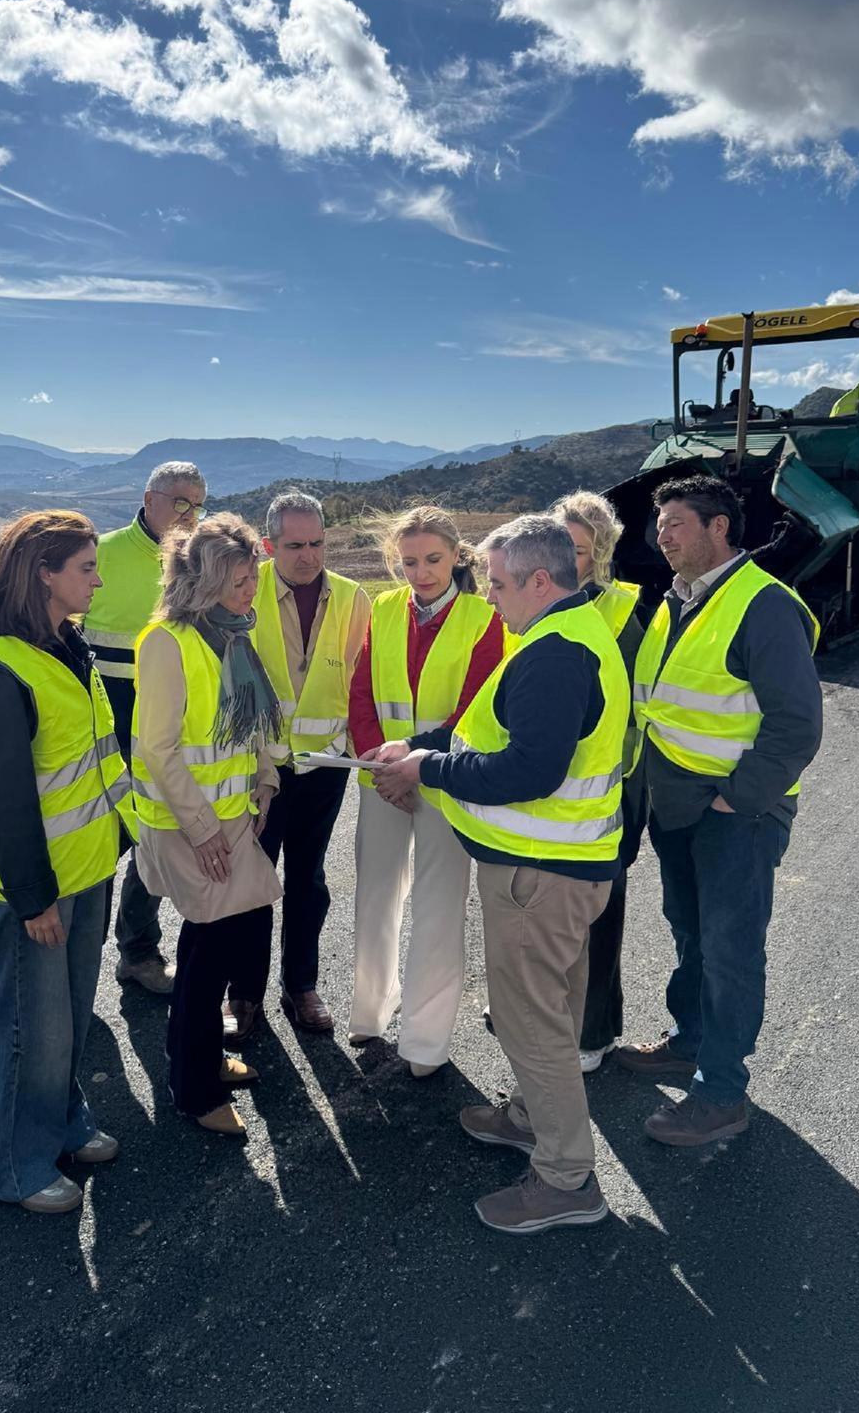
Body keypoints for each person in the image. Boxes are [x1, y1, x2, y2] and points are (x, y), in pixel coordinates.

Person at [372, 515, 629, 1235]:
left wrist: (428, 768)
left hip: (539, 876)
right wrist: (420, 745)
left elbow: (528, 770)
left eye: (497, 583)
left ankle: (565, 1179)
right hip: (567, 866)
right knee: (555, 1007)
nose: (488, 597)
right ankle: (529, 1117)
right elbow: (491, 733)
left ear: (540, 581)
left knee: (531, 1022)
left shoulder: (553, 653)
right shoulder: (569, 633)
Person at [616, 475, 822, 1146]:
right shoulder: (679, 603)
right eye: (660, 524)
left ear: (719, 529)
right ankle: (692, 1041)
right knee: (690, 929)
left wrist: (738, 800)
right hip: (677, 808)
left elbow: (795, 726)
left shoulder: (762, 605)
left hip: (735, 814)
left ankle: (722, 1091)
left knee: (731, 948)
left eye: (675, 523)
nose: (661, 536)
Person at [0, 511, 134, 1215]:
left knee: (67, 1020)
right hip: (34, 889)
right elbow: (5, 801)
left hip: (87, 871)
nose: (97, 578)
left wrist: (130, 841)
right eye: (86, 567)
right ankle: (14, 1166)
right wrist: (32, 899)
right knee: (25, 1026)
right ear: (43, 574)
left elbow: (96, 767)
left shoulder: (67, 644)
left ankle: (60, 1123)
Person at [131, 513, 284, 1136]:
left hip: (232, 820)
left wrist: (267, 775)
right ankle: (194, 1088)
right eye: (241, 580)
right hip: (193, 827)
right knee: (209, 948)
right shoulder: (167, 641)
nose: (252, 590)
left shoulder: (233, 634)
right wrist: (200, 829)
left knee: (216, 943)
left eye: (253, 577)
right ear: (205, 581)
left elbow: (251, 723)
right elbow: (157, 748)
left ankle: (203, 1062)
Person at [348, 505, 504, 1076]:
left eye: (433, 559)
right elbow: (361, 696)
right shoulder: (383, 610)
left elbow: (475, 712)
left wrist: (412, 763)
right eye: (409, 561)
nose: (421, 572)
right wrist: (378, 767)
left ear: (457, 556)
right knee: (375, 897)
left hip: (444, 781)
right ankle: (369, 1013)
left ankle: (425, 1042)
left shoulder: (485, 619)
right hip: (382, 780)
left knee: (440, 909)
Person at [245, 491, 371, 1037]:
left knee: (308, 881)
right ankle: (243, 995)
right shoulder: (243, 594)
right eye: (294, 545)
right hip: (259, 769)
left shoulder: (351, 597)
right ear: (269, 544)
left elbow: (362, 683)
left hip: (324, 766)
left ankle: (302, 987)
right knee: (251, 884)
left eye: (318, 543)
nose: (308, 556)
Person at [83, 460, 208, 996]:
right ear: (149, 498)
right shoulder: (101, 553)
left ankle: (137, 952)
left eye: (198, 503)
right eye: (180, 501)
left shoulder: (200, 560)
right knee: (97, 844)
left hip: (167, 722)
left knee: (150, 840)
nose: (190, 514)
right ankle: (77, 966)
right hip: (103, 722)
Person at [551, 490, 647, 1073]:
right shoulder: (535, 603)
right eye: (558, 544)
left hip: (603, 788)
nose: (567, 558)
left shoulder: (619, 616)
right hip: (547, 789)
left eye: (579, 550)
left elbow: (632, 714)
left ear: (601, 554)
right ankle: (552, 1008)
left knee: (598, 910)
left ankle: (593, 1030)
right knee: (548, 909)